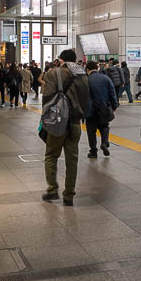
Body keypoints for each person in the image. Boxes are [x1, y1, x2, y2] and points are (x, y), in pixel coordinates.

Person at [41, 49, 90, 206]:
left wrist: (45, 119)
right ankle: (69, 195)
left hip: (58, 122)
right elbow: (86, 99)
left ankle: (52, 190)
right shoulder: (82, 74)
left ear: (61, 60)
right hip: (75, 122)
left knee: (51, 155)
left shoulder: (53, 73)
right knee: (72, 159)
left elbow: (47, 98)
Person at [85, 60, 118, 158]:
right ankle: (104, 143)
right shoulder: (105, 78)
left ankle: (93, 152)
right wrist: (114, 105)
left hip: (90, 110)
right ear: (97, 68)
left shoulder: (86, 79)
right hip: (103, 107)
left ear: (87, 69)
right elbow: (112, 93)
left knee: (91, 132)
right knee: (104, 127)